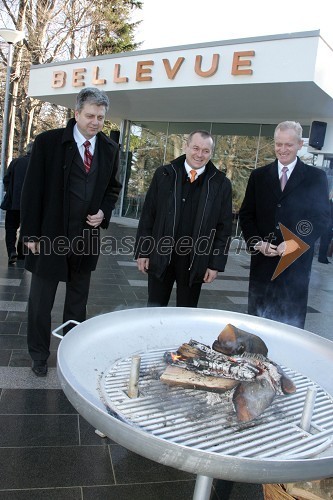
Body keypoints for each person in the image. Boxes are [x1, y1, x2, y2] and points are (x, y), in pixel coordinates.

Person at [20, 87, 122, 376]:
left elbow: (113, 189)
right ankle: (39, 356)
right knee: (40, 303)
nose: (95, 122)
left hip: (85, 240)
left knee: (77, 305)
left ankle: (71, 355)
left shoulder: (109, 149)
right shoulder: (48, 143)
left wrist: (103, 211)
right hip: (49, 237)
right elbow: (32, 190)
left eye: (101, 117)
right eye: (90, 115)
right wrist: (29, 234)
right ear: (76, 113)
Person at [239, 121, 330, 329]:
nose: (282, 149)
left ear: (300, 144)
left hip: (295, 271)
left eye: (288, 145)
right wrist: (257, 243)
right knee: (256, 326)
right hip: (262, 267)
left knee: (291, 328)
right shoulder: (258, 176)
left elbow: (322, 217)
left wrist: (295, 243)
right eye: (278, 144)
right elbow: (246, 215)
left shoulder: (316, 178)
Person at [135, 130, 232, 307]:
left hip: (195, 260)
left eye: (205, 151)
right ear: (186, 146)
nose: (199, 154)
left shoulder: (221, 184)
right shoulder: (164, 174)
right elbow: (149, 215)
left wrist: (215, 264)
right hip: (161, 255)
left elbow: (224, 228)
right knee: (154, 311)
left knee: (187, 313)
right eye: (195, 148)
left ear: (211, 153)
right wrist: (143, 251)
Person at [1, 142, 33, 264]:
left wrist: (11, 192)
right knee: (26, 228)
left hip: (13, 202)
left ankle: (11, 251)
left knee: (10, 228)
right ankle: (22, 253)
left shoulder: (16, 162)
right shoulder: (38, 164)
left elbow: (6, 180)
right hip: (30, 205)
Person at [318, 196, 333, 263]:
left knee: (327, 240)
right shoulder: (328, 202)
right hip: (326, 223)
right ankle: (322, 258)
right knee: (325, 240)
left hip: (329, 223)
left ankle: (323, 257)